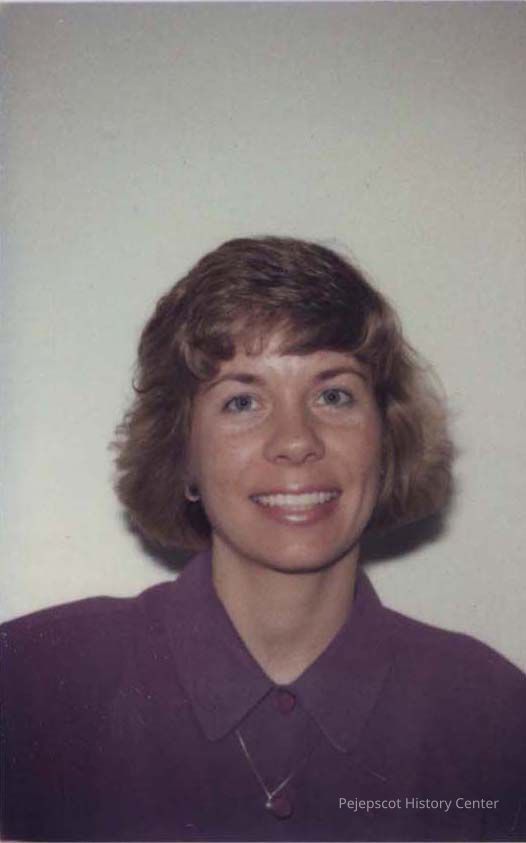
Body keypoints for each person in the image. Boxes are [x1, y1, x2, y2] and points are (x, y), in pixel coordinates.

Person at [1, 236, 525, 842]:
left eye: (333, 395)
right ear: (183, 455)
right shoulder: (30, 684)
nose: (296, 440)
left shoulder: (493, 714)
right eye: (243, 401)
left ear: (386, 441)